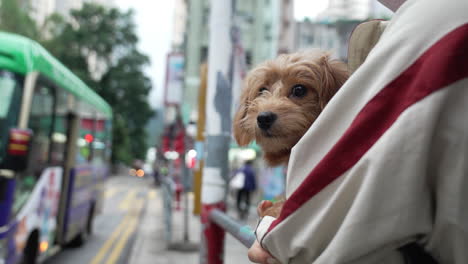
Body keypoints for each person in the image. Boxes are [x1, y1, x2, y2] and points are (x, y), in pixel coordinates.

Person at [248, 0, 468, 263]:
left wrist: (269, 229)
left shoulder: (438, 22)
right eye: (262, 91)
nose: (267, 109)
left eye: (299, 91)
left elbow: (297, 243)